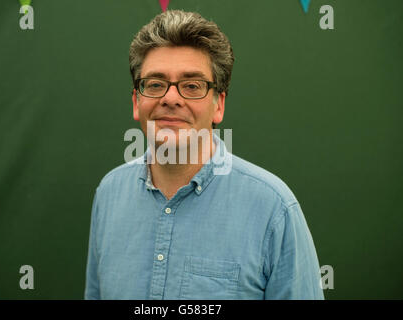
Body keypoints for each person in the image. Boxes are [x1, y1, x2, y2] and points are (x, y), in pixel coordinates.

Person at [85, 10, 324, 300]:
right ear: (137, 101)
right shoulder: (109, 194)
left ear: (218, 105)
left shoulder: (274, 209)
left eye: (192, 86)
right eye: (156, 84)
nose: (171, 98)